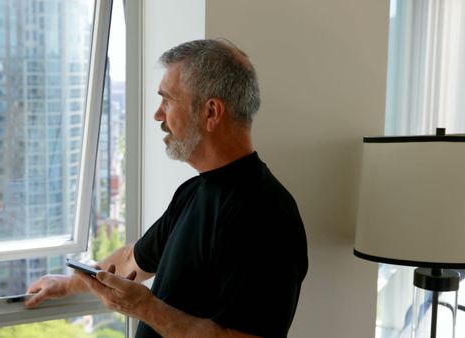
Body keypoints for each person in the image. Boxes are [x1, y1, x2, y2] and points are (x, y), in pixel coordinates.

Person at [25, 38, 308, 338]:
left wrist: (145, 308)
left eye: (168, 100)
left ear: (211, 112)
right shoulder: (192, 192)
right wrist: (68, 283)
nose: (158, 115)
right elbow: (132, 259)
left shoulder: (265, 214)